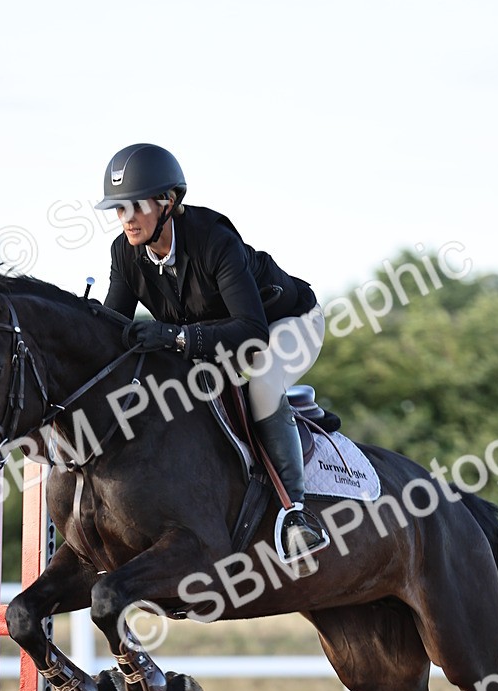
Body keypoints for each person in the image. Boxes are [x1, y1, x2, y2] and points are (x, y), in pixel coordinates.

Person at [95, 142, 329, 564]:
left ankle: (296, 514)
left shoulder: (214, 241)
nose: (125, 220)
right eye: (118, 210)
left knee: (260, 380)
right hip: (223, 337)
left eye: (134, 207)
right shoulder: (125, 254)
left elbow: (253, 332)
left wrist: (175, 337)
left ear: (168, 202)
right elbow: (113, 330)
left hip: (288, 323)